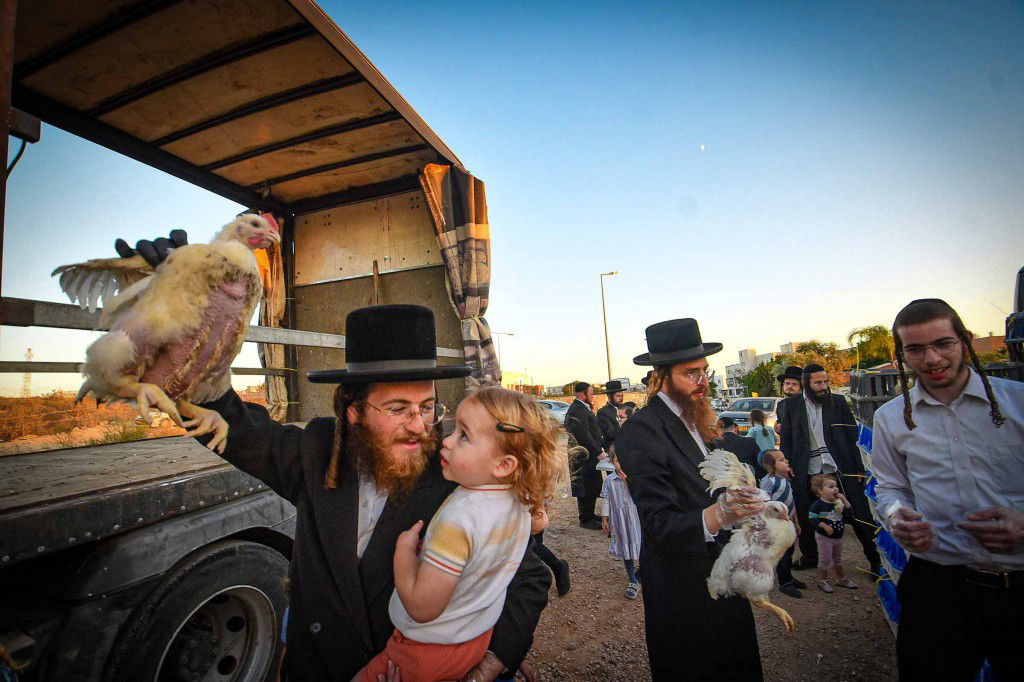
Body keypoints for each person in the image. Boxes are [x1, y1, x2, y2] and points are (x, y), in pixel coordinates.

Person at [185, 305, 550, 681]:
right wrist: (184, 348)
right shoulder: (318, 452)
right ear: (354, 411)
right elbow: (236, 428)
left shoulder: (458, 478)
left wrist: (489, 663)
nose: (419, 427)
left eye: (427, 407)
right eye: (397, 409)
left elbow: (529, 579)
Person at [356, 387, 563, 682]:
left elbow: (422, 606)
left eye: (464, 435)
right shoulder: (516, 504)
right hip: (475, 640)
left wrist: (404, 552)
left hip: (424, 649)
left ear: (504, 465)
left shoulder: (460, 518)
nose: (447, 441)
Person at [870, 298, 1024, 682]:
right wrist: (897, 516)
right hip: (937, 587)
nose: (932, 359)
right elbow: (891, 487)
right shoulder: (890, 417)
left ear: (965, 339)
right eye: (916, 349)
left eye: (943, 344)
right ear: (902, 354)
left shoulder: (1019, 402)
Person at [616, 318, 766, 681]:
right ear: (661, 378)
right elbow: (658, 524)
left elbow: (706, 485)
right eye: (690, 373)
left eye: (704, 371)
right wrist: (720, 514)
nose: (703, 381)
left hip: (722, 573)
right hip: (683, 587)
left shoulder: (698, 419)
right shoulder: (642, 431)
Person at [779, 363, 881, 574]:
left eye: (825, 382)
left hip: (840, 468)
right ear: (806, 383)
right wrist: (786, 463)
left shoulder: (837, 402)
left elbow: (852, 436)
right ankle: (810, 557)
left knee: (859, 514)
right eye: (818, 383)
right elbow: (786, 438)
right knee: (808, 515)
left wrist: (859, 467)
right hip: (806, 470)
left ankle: (876, 561)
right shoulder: (789, 406)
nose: (823, 387)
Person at [758, 449, 805, 598]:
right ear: (771, 465)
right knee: (782, 555)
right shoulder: (768, 482)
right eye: (781, 460)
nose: (786, 461)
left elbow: (791, 502)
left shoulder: (785, 479)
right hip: (777, 526)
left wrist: (796, 522)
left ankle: (789, 577)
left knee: (789, 551)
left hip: (788, 524)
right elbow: (764, 504)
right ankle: (785, 583)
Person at [600, 452, 643, 599]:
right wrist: (604, 518)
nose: (621, 464)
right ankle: (633, 580)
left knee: (641, 546)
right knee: (625, 549)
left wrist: (629, 482)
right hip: (620, 521)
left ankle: (644, 573)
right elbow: (606, 499)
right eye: (618, 460)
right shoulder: (609, 480)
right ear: (612, 462)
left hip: (636, 519)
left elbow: (642, 496)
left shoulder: (635, 478)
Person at [564, 382, 605, 529]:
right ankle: (586, 519)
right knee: (584, 486)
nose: (593, 396)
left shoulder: (581, 408)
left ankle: (590, 515)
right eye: (591, 393)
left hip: (587, 455)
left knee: (591, 484)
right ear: (583, 394)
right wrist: (598, 452)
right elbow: (583, 434)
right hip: (583, 456)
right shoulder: (577, 409)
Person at [808, 474, 858, 593]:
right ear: (820, 490)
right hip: (824, 537)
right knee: (825, 559)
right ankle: (823, 580)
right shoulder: (818, 505)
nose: (835, 489)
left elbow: (850, 513)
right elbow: (812, 518)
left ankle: (840, 579)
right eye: (831, 487)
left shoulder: (838, 503)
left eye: (836, 486)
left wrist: (844, 500)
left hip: (838, 537)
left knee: (838, 558)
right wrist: (824, 526)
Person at [715, 416, 765, 481]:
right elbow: (760, 463)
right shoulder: (750, 442)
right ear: (735, 428)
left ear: (717, 429)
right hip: (748, 480)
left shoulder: (714, 444)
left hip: (723, 482)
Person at [596, 380, 626, 452]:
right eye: (618, 396)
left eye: (622, 395)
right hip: (614, 451)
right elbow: (611, 433)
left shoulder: (626, 409)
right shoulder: (603, 413)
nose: (621, 398)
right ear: (609, 397)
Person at [773, 365, 803, 436]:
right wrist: (777, 428)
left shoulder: (806, 403)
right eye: (787, 383)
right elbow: (780, 423)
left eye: (794, 384)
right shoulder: (781, 404)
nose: (790, 386)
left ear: (801, 387)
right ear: (783, 385)